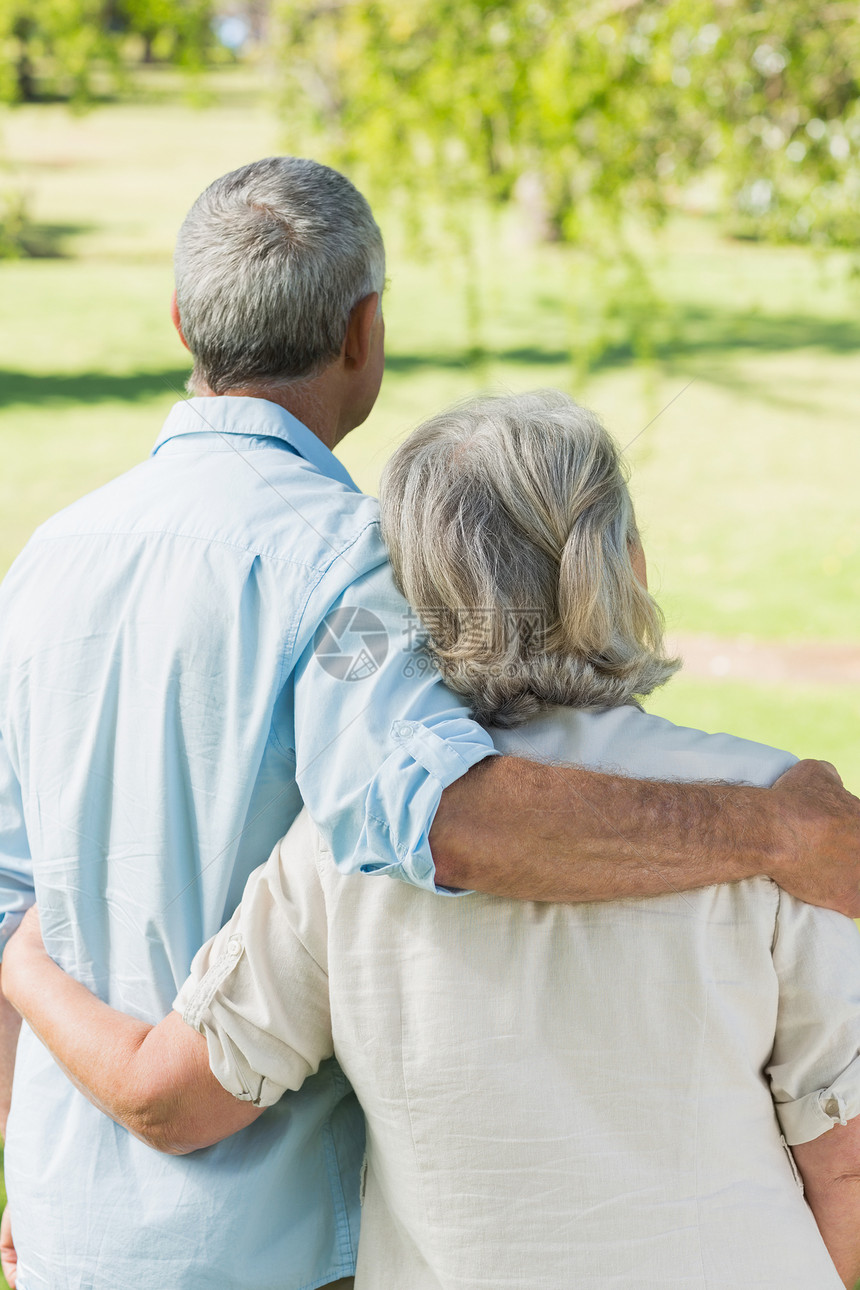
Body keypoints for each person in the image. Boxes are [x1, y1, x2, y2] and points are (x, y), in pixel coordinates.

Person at [0, 159, 858, 1290]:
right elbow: (443, 820)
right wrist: (777, 835)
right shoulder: (342, 562)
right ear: (365, 330)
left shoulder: (46, 560)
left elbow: (19, 901)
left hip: (76, 1223)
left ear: (179, 323)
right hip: (277, 1249)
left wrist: (24, 1166)